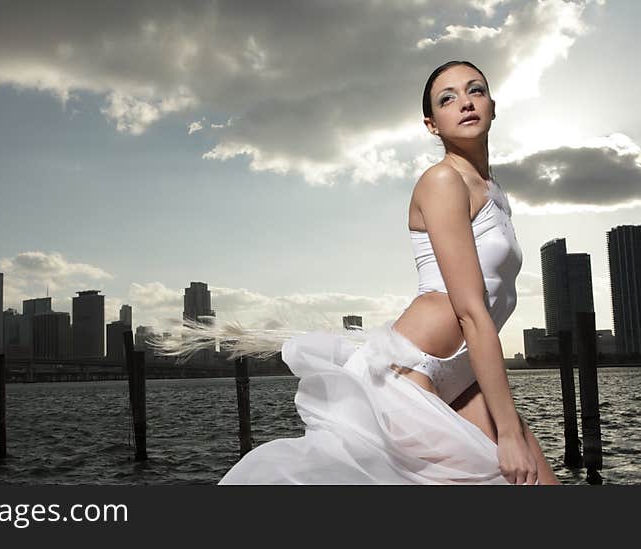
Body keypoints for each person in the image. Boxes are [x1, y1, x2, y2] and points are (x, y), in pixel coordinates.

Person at [156, 60, 560, 485]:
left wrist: (509, 425)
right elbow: (472, 313)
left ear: (492, 106)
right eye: (448, 98)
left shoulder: (495, 191)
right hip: (409, 377)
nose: (464, 102)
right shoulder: (442, 181)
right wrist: (509, 432)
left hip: (463, 378)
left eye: (475, 90)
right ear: (431, 124)